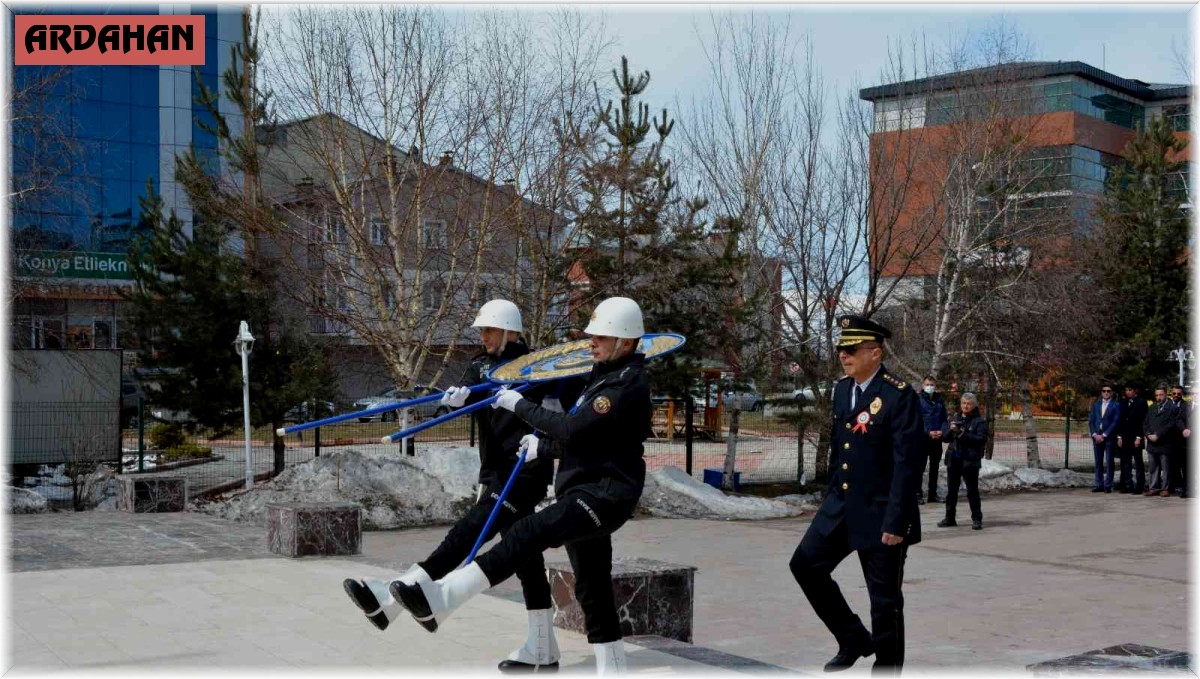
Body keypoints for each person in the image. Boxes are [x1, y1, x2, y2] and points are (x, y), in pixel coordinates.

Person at [389, 296, 653, 675]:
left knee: (528, 533)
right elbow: (582, 439)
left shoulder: (624, 386)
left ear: (625, 342)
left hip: (604, 494)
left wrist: (518, 406)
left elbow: (569, 428)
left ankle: (445, 596)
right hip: (582, 489)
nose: (591, 341)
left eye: (600, 336)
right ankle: (612, 669)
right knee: (592, 588)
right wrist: (541, 447)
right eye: (591, 335)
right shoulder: (602, 376)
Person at [341, 299, 579, 673]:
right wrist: (455, 402)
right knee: (526, 561)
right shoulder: (479, 365)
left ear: (509, 331)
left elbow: (564, 401)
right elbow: (465, 395)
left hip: (525, 471)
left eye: (489, 330)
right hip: (494, 472)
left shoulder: (536, 367)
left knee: (467, 533)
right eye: (481, 331)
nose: (482, 337)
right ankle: (543, 648)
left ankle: (392, 596)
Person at [788, 315, 923, 673]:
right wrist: (831, 496)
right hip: (842, 506)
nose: (843, 356)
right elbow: (840, 448)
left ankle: (887, 667)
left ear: (875, 353)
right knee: (805, 566)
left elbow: (907, 466)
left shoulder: (898, 395)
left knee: (885, 602)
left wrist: (897, 521)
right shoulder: (843, 389)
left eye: (851, 349)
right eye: (840, 349)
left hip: (882, 513)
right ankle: (852, 637)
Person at [936, 393, 989, 530]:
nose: (966, 406)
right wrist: (951, 430)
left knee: (972, 491)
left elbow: (981, 439)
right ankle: (950, 518)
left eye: (969, 403)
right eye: (964, 403)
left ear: (974, 405)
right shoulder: (954, 419)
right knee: (951, 491)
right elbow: (945, 438)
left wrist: (963, 433)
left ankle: (977, 519)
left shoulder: (979, 422)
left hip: (970, 461)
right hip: (954, 459)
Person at [917, 376, 948, 504]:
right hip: (923, 439)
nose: (930, 387)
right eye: (927, 384)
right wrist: (927, 432)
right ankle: (917, 494)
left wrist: (942, 431)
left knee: (934, 468)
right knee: (920, 468)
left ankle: (932, 494)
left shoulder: (939, 401)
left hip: (937, 439)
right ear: (923, 386)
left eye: (932, 384)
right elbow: (917, 421)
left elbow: (944, 419)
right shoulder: (918, 400)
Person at [1143, 386, 1177, 497]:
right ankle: (1153, 487)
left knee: (1166, 467)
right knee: (1153, 467)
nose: (1158, 397)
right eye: (1156, 395)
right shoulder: (1152, 407)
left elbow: (1171, 425)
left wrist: (1158, 435)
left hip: (1165, 443)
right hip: (1152, 443)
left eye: (1161, 395)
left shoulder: (1172, 407)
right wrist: (1148, 434)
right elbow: (1145, 423)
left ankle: (1165, 488)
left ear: (1166, 394)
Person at [1087, 384, 1121, 493]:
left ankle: (1108, 485)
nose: (1106, 393)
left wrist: (1104, 435)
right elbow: (1091, 421)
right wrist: (1094, 434)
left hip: (1109, 437)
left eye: (1108, 391)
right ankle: (1098, 484)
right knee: (1098, 462)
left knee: (1109, 462)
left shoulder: (1115, 405)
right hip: (1096, 437)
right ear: (1101, 392)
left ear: (1111, 393)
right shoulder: (1096, 405)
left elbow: (1115, 422)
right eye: (1104, 391)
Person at [1115, 385, 1148, 495]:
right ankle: (1128, 485)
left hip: (1135, 438)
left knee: (1138, 463)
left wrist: (1139, 437)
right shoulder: (1123, 403)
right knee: (1126, 463)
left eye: (1130, 390)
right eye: (1126, 390)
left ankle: (1139, 486)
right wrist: (1119, 436)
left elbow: (1143, 421)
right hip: (1125, 438)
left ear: (1135, 391)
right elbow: (1120, 420)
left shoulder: (1141, 402)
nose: (1128, 392)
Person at [1172, 385, 1191, 498]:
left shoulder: (1186, 406)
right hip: (1169, 440)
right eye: (1174, 393)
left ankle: (1186, 489)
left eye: (1178, 394)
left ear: (1182, 394)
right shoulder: (1168, 405)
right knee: (1172, 465)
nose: (1176, 396)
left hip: (1182, 441)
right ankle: (1173, 486)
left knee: (1185, 466)